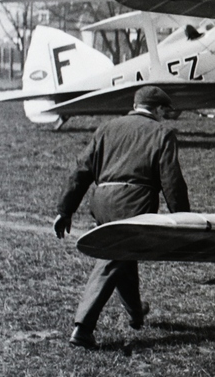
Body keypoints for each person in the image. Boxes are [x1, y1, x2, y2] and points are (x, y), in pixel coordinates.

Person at [54, 85, 189, 348]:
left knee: (123, 254)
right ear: (158, 109)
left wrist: (65, 210)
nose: (165, 116)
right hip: (134, 204)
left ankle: (137, 314)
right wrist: (183, 219)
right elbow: (172, 181)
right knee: (113, 256)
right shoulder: (163, 133)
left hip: (102, 202)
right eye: (164, 111)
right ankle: (83, 328)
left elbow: (81, 171)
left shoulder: (107, 128)